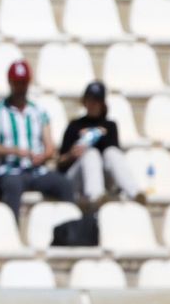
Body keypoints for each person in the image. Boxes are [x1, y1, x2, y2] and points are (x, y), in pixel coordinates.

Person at [0, 60, 74, 218]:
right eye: (17, 83)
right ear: (10, 83)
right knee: (12, 185)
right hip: (9, 170)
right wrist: (15, 151)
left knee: (64, 184)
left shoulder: (38, 112)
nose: (20, 87)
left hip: (36, 170)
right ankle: (12, 232)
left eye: (23, 83)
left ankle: (70, 230)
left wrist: (43, 156)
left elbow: (50, 147)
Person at [58, 80, 142, 208]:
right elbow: (60, 162)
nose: (92, 104)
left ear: (102, 103)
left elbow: (112, 156)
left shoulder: (110, 126)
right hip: (77, 178)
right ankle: (95, 197)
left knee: (112, 152)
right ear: (84, 101)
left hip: (104, 177)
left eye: (96, 100)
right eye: (89, 99)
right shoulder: (74, 125)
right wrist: (72, 155)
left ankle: (135, 194)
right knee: (90, 154)